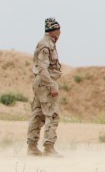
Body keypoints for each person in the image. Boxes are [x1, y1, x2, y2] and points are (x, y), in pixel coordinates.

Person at [27, 17, 63, 156]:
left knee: (38, 114)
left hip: (40, 82)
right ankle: (49, 147)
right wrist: (51, 85)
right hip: (45, 82)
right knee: (52, 114)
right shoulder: (46, 44)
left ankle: (32, 147)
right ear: (54, 31)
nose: (60, 34)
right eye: (59, 31)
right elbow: (43, 68)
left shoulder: (47, 43)